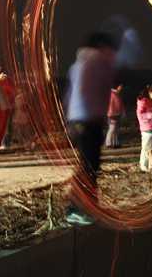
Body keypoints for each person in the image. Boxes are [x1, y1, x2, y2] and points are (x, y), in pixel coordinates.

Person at [64, 32, 117, 225]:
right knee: (89, 165)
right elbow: (92, 91)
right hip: (89, 119)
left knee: (89, 164)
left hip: (78, 118)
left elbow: (70, 94)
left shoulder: (77, 63)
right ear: (103, 46)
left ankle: (88, 205)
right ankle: (75, 208)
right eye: (111, 49)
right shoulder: (98, 61)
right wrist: (96, 115)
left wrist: (69, 121)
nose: (113, 53)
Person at [105, 81, 124, 149]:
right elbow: (110, 105)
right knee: (112, 128)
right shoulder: (112, 94)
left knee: (115, 129)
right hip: (112, 115)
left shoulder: (117, 93)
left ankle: (115, 143)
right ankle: (108, 143)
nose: (121, 88)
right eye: (120, 86)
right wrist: (111, 115)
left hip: (117, 114)